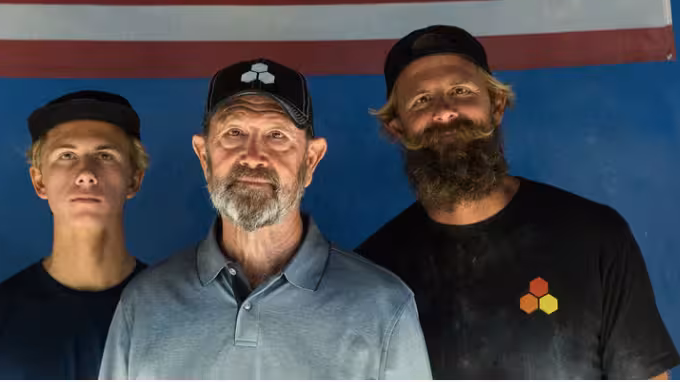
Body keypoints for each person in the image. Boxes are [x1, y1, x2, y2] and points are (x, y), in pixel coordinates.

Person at [355, 25, 680, 380]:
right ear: (397, 128)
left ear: (496, 106)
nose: (445, 112)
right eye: (421, 100)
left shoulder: (594, 237)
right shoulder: (370, 276)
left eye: (461, 91)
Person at [98, 58, 432, 380]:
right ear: (204, 156)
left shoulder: (383, 308)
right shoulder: (142, 305)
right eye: (234, 133)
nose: (254, 156)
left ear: (311, 160)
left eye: (277, 135)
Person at [0, 91, 151, 379]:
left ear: (134, 179)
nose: (86, 173)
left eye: (105, 155)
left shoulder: (177, 313)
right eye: (66, 155)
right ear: (39, 181)